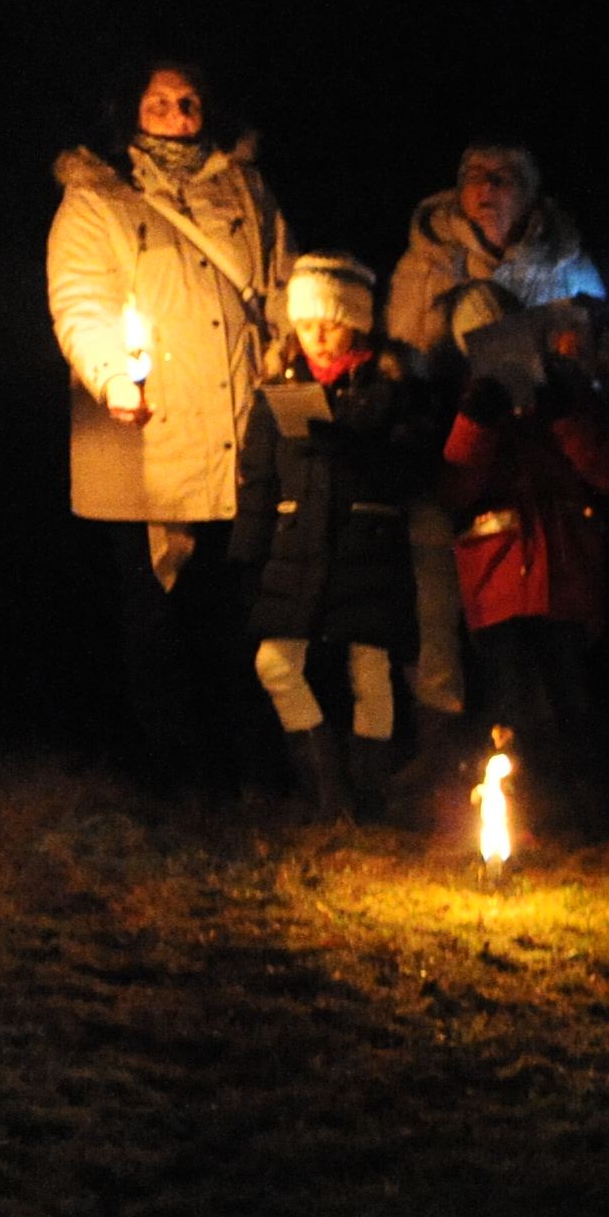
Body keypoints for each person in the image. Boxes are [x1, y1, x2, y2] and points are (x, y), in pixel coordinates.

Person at [46, 59, 289, 795]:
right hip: (153, 441)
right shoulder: (97, 199)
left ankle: (244, 771)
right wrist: (112, 377)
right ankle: (173, 776)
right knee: (159, 614)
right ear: (130, 111)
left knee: (243, 611)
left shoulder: (245, 188)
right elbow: (81, 302)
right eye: (160, 103)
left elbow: (279, 284)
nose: (178, 115)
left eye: (189, 102)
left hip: (242, 437)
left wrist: (289, 363)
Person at [387, 143, 609, 724]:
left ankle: (559, 749)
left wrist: (571, 358)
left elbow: (597, 358)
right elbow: (403, 359)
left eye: (504, 177)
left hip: (540, 460)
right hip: (459, 449)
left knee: (540, 608)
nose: (488, 189)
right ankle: (446, 740)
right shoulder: (425, 264)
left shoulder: (566, 263)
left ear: (531, 192)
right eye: (474, 178)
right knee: (441, 607)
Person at [226, 256, 433, 825]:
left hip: (368, 552)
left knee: (370, 670)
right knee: (275, 663)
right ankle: (328, 791)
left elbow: (412, 472)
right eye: (308, 320)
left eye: (333, 321)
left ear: (359, 324)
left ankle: (368, 798)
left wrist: (351, 450)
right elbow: (259, 480)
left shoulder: (392, 389)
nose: (317, 333)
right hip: (296, 552)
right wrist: (248, 554)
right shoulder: (277, 392)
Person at [437, 335, 609, 850]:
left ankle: (598, 820)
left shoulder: (567, 402)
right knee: (513, 711)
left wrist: (567, 413)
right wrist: (477, 419)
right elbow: (454, 486)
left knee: (577, 706)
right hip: (500, 585)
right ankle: (523, 818)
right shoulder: (473, 407)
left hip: (564, 581)